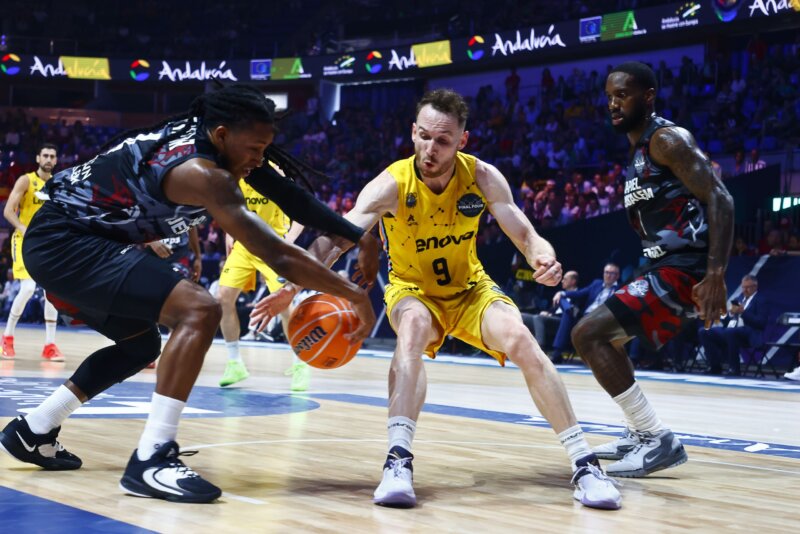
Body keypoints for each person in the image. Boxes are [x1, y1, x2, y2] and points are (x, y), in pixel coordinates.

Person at [0, 84, 380, 504]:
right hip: (67, 243)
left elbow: (288, 194)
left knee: (139, 344)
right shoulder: (202, 173)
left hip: (67, 241)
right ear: (221, 135)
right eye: (255, 148)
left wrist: (354, 234)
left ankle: (34, 429)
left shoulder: (214, 142)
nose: (260, 159)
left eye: (266, 147)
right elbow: (276, 254)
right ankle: (152, 459)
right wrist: (354, 294)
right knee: (200, 310)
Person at [252, 89, 621, 510]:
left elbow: (523, 231)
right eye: (424, 136)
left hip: (469, 290)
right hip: (412, 290)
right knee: (410, 332)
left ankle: (584, 463)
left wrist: (544, 257)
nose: (430, 148)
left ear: (461, 141)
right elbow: (335, 240)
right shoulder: (390, 184)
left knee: (521, 339)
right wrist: (289, 287)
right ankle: (397, 460)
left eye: (443, 141)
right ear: (413, 132)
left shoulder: (482, 176)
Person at [571, 62, 734, 477]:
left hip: (686, 268)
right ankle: (638, 432)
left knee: (587, 334)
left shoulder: (666, 140)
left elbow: (722, 199)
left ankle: (656, 437)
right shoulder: (641, 147)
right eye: (609, 95)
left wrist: (715, 274)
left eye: (622, 94)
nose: (613, 103)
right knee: (608, 338)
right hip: (664, 265)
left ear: (648, 97)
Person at [217, 170, 310, 390]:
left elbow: (302, 212)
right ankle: (234, 363)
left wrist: (288, 239)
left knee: (286, 307)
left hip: (273, 245)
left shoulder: (280, 175)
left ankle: (301, 364)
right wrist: (230, 233)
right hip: (245, 245)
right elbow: (229, 207)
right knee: (223, 298)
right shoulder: (239, 173)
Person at [2, 143, 64, 361]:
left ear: (56, 160)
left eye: (52, 156)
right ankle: (7, 338)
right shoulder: (26, 180)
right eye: (45, 155)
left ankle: (50, 345)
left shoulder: (58, 184)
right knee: (27, 288)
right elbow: (8, 211)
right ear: (38, 158)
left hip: (48, 244)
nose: (48, 159)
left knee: (52, 294)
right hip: (24, 241)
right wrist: (23, 228)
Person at [698, 275, 767, 376]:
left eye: (748, 287)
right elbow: (729, 322)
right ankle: (714, 366)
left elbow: (761, 323)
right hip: (732, 331)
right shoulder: (738, 298)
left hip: (750, 333)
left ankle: (734, 368)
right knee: (705, 331)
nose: (745, 290)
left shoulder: (761, 300)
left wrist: (743, 312)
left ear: (755, 286)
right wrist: (728, 314)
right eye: (743, 287)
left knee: (731, 332)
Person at [549, 264, 619, 363]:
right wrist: (562, 293)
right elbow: (579, 293)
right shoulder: (596, 284)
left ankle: (569, 310)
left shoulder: (619, 290)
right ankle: (557, 353)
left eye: (612, 273)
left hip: (602, 319)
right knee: (565, 308)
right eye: (606, 272)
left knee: (570, 314)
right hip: (585, 317)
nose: (608, 275)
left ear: (617, 276)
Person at [526, 270, 579, 353]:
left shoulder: (579, 295)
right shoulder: (560, 295)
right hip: (551, 318)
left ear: (573, 281)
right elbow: (554, 309)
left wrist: (550, 315)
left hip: (562, 322)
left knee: (538, 318)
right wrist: (548, 313)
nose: (562, 281)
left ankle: (539, 350)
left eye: (565, 279)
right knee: (522, 316)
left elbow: (572, 313)